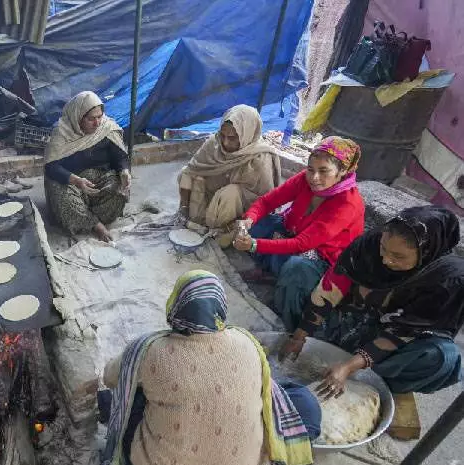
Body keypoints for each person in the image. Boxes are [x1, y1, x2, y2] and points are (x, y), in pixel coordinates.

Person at [101, 270, 317, 465]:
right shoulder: (247, 342)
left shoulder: (148, 350)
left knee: (124, 398)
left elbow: (110, 378)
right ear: (221, 307)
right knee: (297, 398)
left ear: (175, 305)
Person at [280, 206, 464, 396]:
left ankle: (371, 382)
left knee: (443, 357)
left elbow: (402, 333)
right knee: (298, 269)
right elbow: (332, 286)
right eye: (384, 249)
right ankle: (301, 343)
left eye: (398, 257)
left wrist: (348, 367)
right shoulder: (373, 242)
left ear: (426, 253)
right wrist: (300, 336)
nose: (385, 260)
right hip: (347, 316)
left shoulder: (447, 280)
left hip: (390, 340)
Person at [233, 136, 365, 331]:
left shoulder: (348, 204)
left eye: (324, 171)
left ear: (343, 171)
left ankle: (291, 321)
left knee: (296, 269)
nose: (314, 178)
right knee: (260, 224)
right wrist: (249, 219)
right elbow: (267, 202)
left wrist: (253, 244)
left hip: (324, 257)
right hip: (295, 234)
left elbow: (302, 244)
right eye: (311, 169)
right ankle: (271, 272)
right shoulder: (304, 180)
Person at [177, 105, 281, 246]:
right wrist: (184, 208)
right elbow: (190, 170)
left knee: (229, 193)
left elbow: (264, 204)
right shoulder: (215, 143)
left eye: (232, 138)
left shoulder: (260, 160)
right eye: (223, 135)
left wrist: (232, 226)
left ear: (247, 135)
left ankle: (220, 234)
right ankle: (196, 221)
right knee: (186, 174)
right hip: (209, 201)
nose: (225, 143)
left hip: (237, 217)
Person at [44, 91, 130, 242]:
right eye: (91, 119)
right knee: (59, 193)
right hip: (72, 183)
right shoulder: (62, 133)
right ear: (78, 117)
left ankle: (86, 216)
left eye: (99, 117)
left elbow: (119, 156)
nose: (97, 123)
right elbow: (51, 167)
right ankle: (95, 224)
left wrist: (124, 170)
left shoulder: (106, 128)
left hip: (99, 179)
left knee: (119, 188)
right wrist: (77, 181)